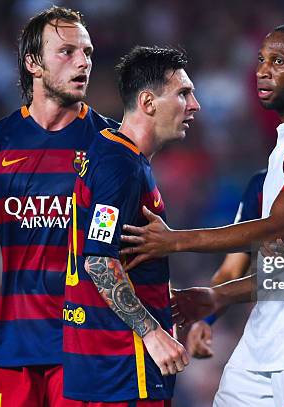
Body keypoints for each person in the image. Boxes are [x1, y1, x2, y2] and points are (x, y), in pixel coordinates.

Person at [122, 23, 284, 406]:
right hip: (265, 338)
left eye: (279, 62)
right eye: (261, 60)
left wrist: (175, 240)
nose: (263, 70)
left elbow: (276, 227)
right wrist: (215, 298)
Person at [0, 6, 117, 406]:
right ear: (33, 63)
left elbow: (137, 241)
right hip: (16, 346)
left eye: (88, 51)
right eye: (67, 51)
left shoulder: (111, 146)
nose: (83, 61)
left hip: (85, 346)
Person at [62, 46, 199, 405]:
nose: (194, 105)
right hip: (125, 365)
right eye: (183, 94)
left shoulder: (111, 153)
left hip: (107, 362)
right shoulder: (121, 165)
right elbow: (98, 258)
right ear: (148, 102)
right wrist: (152, 333)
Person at [185, 169, 266, 358]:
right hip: (264, 331)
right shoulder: (261, 185)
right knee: (230, 388)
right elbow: (231, 271)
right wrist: (204, 318)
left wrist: (175, 240)